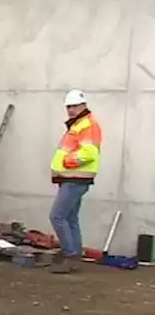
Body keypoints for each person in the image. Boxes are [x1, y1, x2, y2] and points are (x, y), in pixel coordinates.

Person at [49, 89, 102, 274]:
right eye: (68, 106)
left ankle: (70, 254)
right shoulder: (80, 124)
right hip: (74, 178)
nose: (70, 110)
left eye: (74, 106)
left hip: (75, 178)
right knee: (70, 218)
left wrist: (66, 162)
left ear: (83, 106)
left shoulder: (86, 125)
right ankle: (75, 255)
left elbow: (89, 153)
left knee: (57, 216)